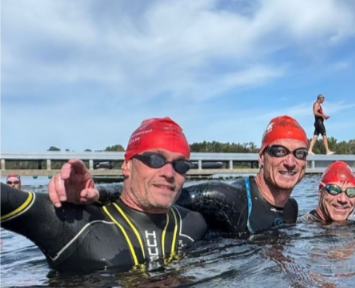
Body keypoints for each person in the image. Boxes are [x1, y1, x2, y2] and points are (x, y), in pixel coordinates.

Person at [1, 117, 207, 274]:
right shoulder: (74, 224)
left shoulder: (195, 224)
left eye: (181, 165)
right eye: (154, 159)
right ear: (126, 166)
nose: (169, 173)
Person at [50, 115, 308, 237]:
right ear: (261, 157)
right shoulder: (226, 198)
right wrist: (96, 194)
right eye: (279, 151)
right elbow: (156, 193)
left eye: (299, 153)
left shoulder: (292, 210)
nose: (289, 161)